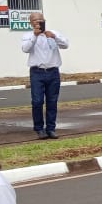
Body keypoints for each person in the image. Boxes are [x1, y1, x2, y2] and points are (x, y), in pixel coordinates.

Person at [21, 12, 68, 140]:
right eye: (35, 20)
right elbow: (25, 49)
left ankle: (51, 129)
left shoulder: (53, 33)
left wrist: (54, 38)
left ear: (44, 20)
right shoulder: (28, 36)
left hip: (53, 71)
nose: (38, 22)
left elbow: (66, 45)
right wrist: (35, 36)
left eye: (40, 19)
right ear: (31, 23)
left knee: (52, 101)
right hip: (37, 72)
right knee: (37, 101)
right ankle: (39, 128)